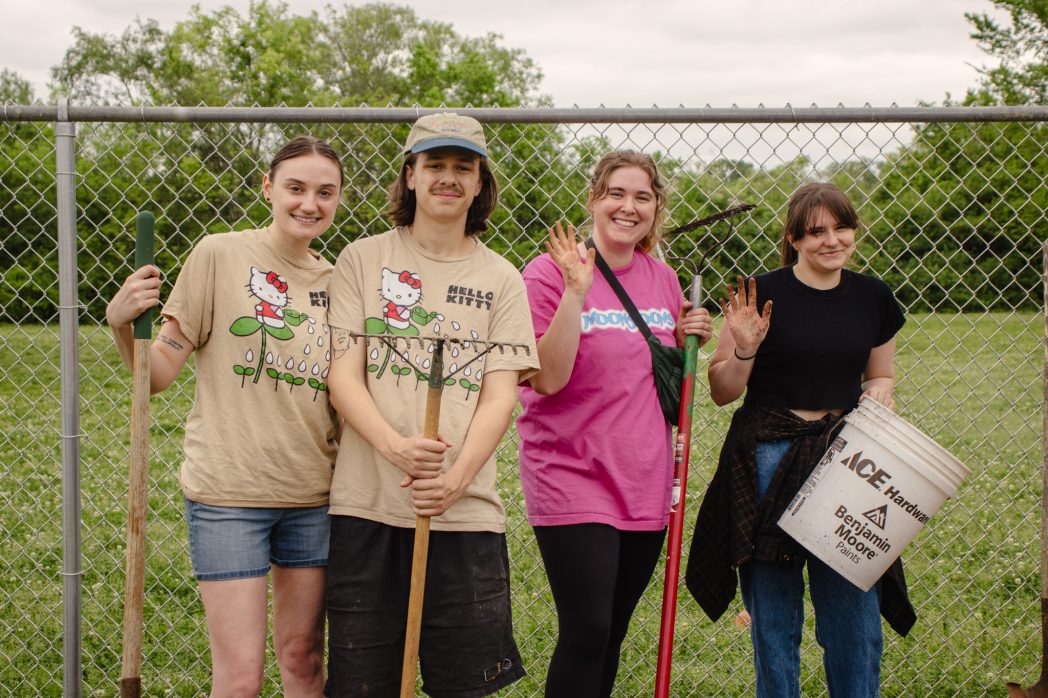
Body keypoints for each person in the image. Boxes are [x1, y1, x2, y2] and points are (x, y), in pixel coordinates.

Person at [105, 135, 344, 696]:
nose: (309, 203)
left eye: (324, 192)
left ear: (337, 201)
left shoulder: (337, 281)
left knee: (304, 658)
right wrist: (121, 324)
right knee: (239, 675)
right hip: (229, 496)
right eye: (296, 187)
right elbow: (157, 374)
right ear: (268, 188)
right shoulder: (220, 254)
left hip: (313, 496)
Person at [323, 112, 539, 698]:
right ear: (410, 175)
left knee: (462, 683)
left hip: (464, 514)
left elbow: (501, 396)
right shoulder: (361, 260)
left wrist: (453, 479)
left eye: (463, 168)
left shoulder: (501, 278)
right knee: (361, 683)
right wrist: (396, 448)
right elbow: (343, 375)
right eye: (435, 165)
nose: (449, 178)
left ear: (479, 183)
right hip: (367, 507)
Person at [685, 182, 917, 698]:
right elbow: (723, 392)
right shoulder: (759, 292)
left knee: (854, 615)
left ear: (854, 230)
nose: (831, 240)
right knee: (773, 618)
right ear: (793, 238)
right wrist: (743, 350)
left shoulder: (873, 297)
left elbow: (880, 376)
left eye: (841, 227)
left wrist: (880, 393)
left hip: (843, 458)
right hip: (769, 452)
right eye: (816, 232)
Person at [515, 150, 714, 698]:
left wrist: (695, 336)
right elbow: (546, 379)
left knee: (612, 633)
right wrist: (576, 293)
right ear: (593, 201)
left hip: (645, 476)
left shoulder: (664, 280)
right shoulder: (547, 273)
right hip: (571, 471)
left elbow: (674, 379)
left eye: (642, 197)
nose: (629, 207)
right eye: (616, 194)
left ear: (656, 209)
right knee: (587, 629)